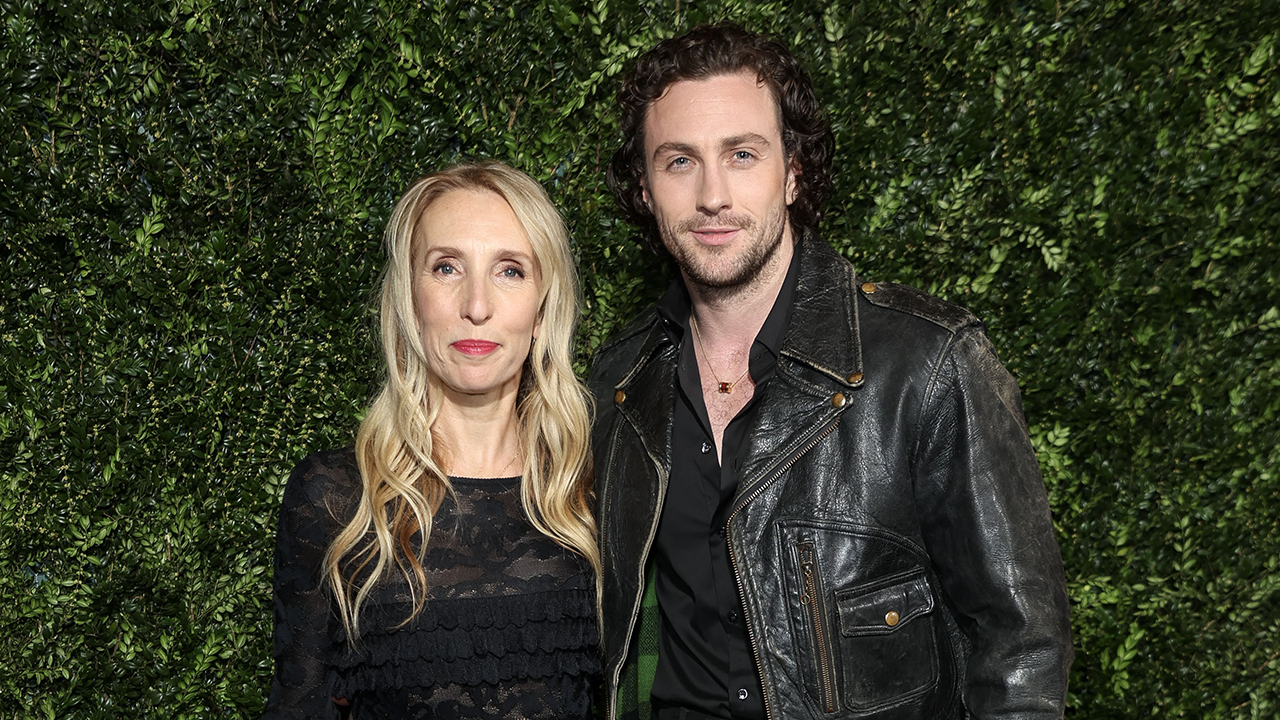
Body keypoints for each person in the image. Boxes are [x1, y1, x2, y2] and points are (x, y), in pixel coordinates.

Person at [589, 24, 1073, 720]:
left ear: (793, 172)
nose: (713, 194)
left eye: (743, 154)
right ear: (644, 186)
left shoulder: (928, 364)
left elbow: (1022, 651)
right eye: (678, 162)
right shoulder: (621, 378)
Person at [264, 162, 600, 719]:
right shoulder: (336, 500)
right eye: (446, 267)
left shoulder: (595, 491)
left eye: (510, 271)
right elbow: (297, 706)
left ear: (542, 310)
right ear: (409, 301)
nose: (476, 305)